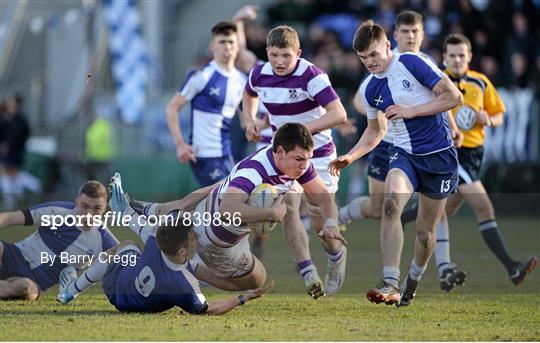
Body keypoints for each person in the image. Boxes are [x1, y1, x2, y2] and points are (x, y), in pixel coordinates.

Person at [329, 20, 463, 306]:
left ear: (387, 45)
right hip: (403, 154)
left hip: (439, 156)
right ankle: (389, 281)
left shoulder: (412, 63)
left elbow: (454, 96)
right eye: (364, 58)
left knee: (426, 234)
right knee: (391, 205)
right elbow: (376, 131)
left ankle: (412, 279)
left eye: (374, 55)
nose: (370, 63)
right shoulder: (369, 89)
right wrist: (350, 156)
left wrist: (413, 111)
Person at [123, 123, 346, 294]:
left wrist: (331, 223)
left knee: (222, 187)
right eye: (299, 159)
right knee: (256, 281)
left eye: (307, 159)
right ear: (279, 151)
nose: (304, 165)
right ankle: (190, 267)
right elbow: (227, 210)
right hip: (217, 242)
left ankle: (151, 211)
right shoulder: (253, 172)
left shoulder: (294, 164)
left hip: (206, 209)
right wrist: (270, 213)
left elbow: (325, 198)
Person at [401, 33, 537, 287]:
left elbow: (499, 116)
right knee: (484, 208)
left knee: (444, 209)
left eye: (461, 55)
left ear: (470, 57)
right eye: (452, 55)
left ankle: (398, 218)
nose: (457, 60)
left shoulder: (480, 82)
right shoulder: (437, 80)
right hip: (452, 153)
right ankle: (512, 267)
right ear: (444, 57)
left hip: (475, 154)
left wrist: (487, 118)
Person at [242, 25, 348, 298]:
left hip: (320, 155)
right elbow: (249, 93)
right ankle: (308, 272)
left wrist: (300, 134)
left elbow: (339, 114)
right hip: (284, 158)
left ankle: (336, 258)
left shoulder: (312, 75)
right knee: (288, 207)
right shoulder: (259, 73)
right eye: (274, 55)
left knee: (322, 224)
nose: (279, 61)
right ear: (266, 52)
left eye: (286, 56)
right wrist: (249, 120)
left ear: (298, 54)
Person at [57, 207, 274, 315]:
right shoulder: (183, 284)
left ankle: (71, 291)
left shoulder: (156, 240)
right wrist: (244, 297)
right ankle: (71, 289)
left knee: (125, 246)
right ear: (182, 251)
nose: (196, 236)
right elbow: (209, 309)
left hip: (118, 284)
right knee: (128, 247)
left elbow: (135, 221)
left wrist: (123, 206)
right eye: (192, 237)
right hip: (123, 296)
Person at [0, 181, 118, 300]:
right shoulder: (58, 210)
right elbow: (9, 218)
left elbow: (126, 262)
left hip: (34, 281)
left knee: (26, 289)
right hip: (14, 254)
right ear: (77, 202)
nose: (89, 214)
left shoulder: (104, 239)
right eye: (85, 206)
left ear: (105, 208)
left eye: (97, 208)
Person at [165, 21, 246, 187]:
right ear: (212, 46)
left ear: (237, 46)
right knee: (224, 204)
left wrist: (265, 123)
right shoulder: (202, 75)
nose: (227, 47)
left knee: (226, 206)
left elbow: (247, 122)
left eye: (230, 42)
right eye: (222, 42)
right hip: (204, 155)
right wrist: (180, 144)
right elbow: (172, 108)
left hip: (227, 154)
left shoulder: (242, 81)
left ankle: (166, 212)